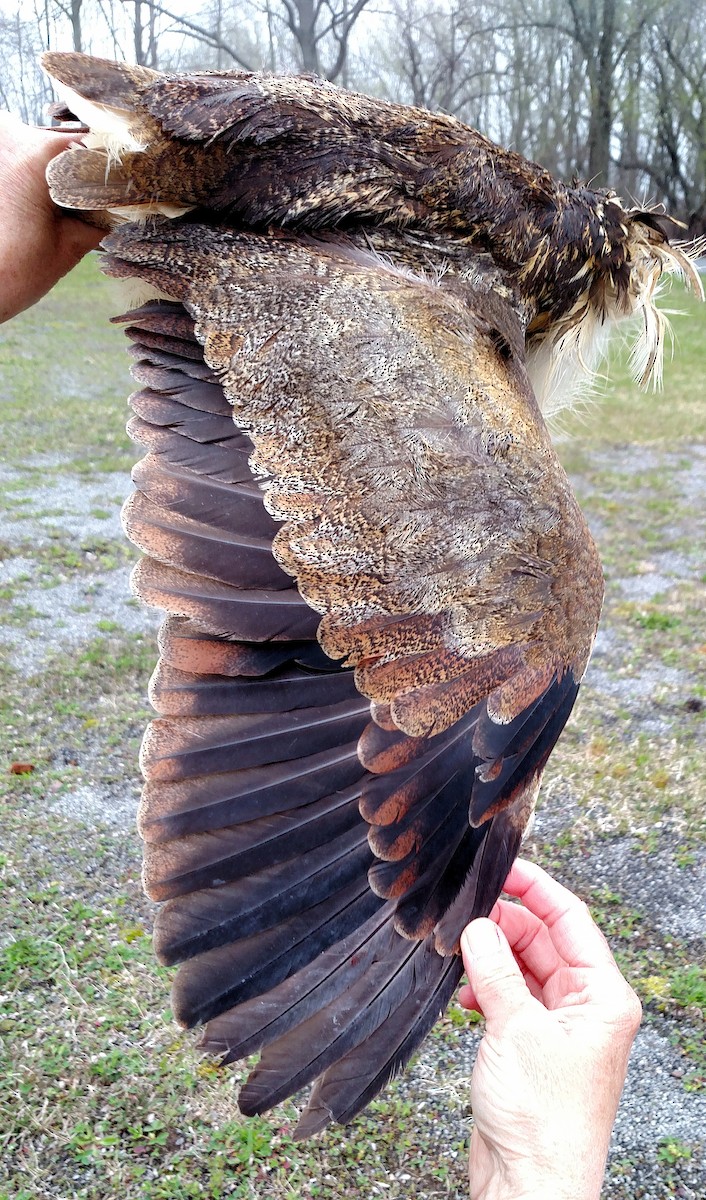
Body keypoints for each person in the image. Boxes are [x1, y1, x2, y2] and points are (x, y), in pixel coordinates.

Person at [0, 114, 643, 1199]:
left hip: (261, 185)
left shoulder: (461, 217)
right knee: (530, 628)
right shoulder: (471, 247)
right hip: (250, 181)